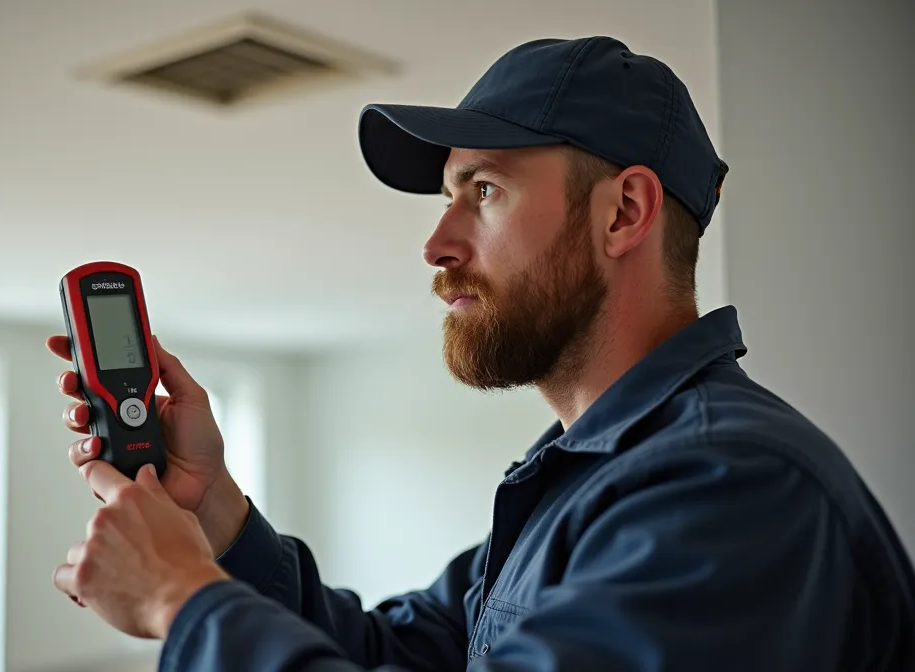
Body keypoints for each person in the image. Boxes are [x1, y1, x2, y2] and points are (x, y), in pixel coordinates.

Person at [45, 36, 915, 671]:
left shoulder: (729, 488)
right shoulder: (581, 482)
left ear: (623, 213)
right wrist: (217, 516)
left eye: (485, 190)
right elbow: (398, 655)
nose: (435, 242)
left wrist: (178, 599)